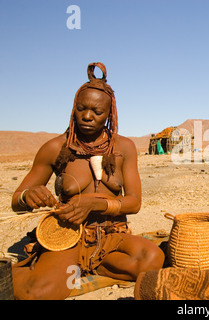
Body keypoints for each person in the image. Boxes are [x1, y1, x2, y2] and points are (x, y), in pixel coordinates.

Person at [10, 62, 164, 300]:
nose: (88, 116)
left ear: (109, 114)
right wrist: (27, 197)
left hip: (111, 234)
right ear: (74, 108)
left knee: (153, 258)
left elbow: (134, 203)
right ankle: (69, 266)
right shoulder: (54, 148)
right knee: (37, 292)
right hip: (67, 234)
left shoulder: (125, 147)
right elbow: (16, 202)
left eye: (97, 112)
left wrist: (96, 204)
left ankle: (88, 266)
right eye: (81, 109)